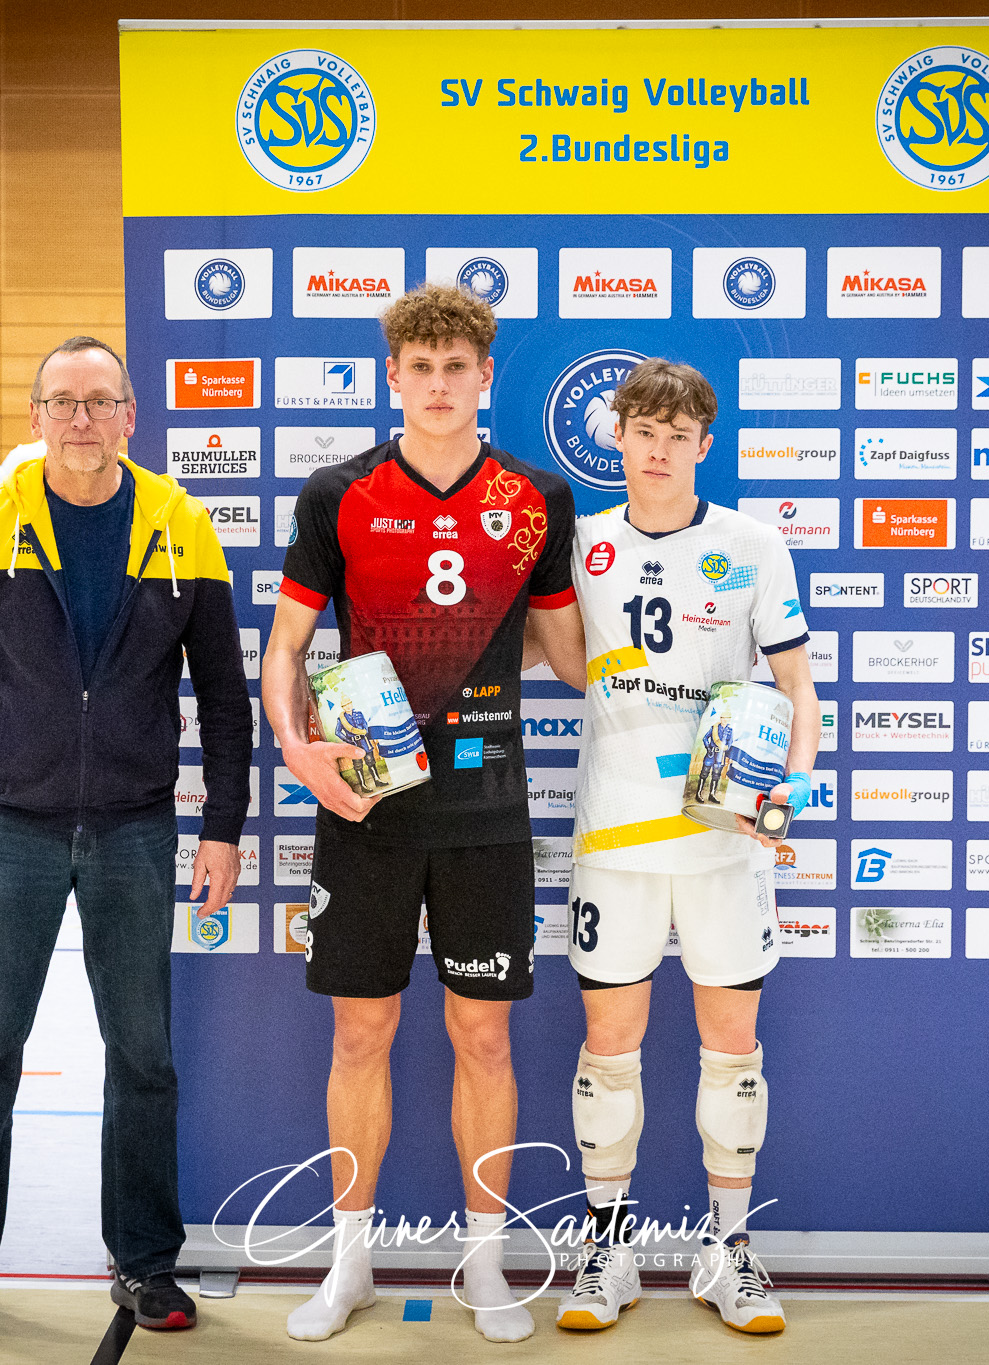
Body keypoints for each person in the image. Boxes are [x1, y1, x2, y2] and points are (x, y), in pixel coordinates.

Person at [0, 336, 251, 1342]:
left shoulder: (180, 524)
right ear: (36, 416)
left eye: (99, 402)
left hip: (135, 831)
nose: (81, 420)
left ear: (131, 415)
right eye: (62, 402)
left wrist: (222, 826)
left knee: (141, 1059)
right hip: (11, 835)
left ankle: (143, 1264)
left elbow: (222, 696)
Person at [263, 284, 578, 1345]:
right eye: (420, 368)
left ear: (486, 377)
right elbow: (283, 651)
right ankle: (347, 1264)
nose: (439, 386)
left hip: (487, 808)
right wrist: (301, 753)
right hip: (368, 805)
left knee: (482, 1040)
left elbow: (568, 655)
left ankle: (483, 1267)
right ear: (390, 376)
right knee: (361, 1033)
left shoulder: (537, 497)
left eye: (458, 368)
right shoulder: (336, 493)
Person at [526, 359, 816, 1336]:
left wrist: (796, 780)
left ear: (703, 443)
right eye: (642, 431)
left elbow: (795, 687)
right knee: (610, 1051)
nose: (657, 450)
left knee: (730, 1051)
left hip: (724, 837)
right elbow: (519, 647)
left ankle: (725, 1252)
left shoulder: (752, 543)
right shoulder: (579, 544)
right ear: (617, 436)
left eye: (677, 434)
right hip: (612, 842)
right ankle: (605, 1252)